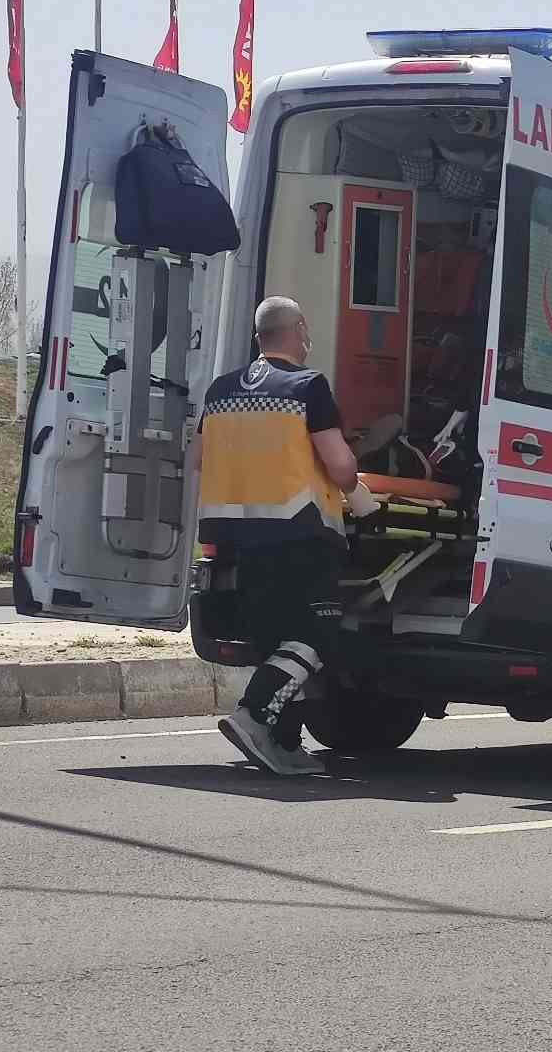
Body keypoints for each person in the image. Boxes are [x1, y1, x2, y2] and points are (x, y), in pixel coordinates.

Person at [186, 295, 378, 775]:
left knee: (275, 639)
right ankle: (254, 713)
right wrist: (362, 498)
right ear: (299, 329)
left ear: (258, 337)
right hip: (299, 533)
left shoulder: (220, 390)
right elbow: (340, 466)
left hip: (235, 537)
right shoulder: (306, 386)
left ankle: (284, 743)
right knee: (317, 633)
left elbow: (197, 459)